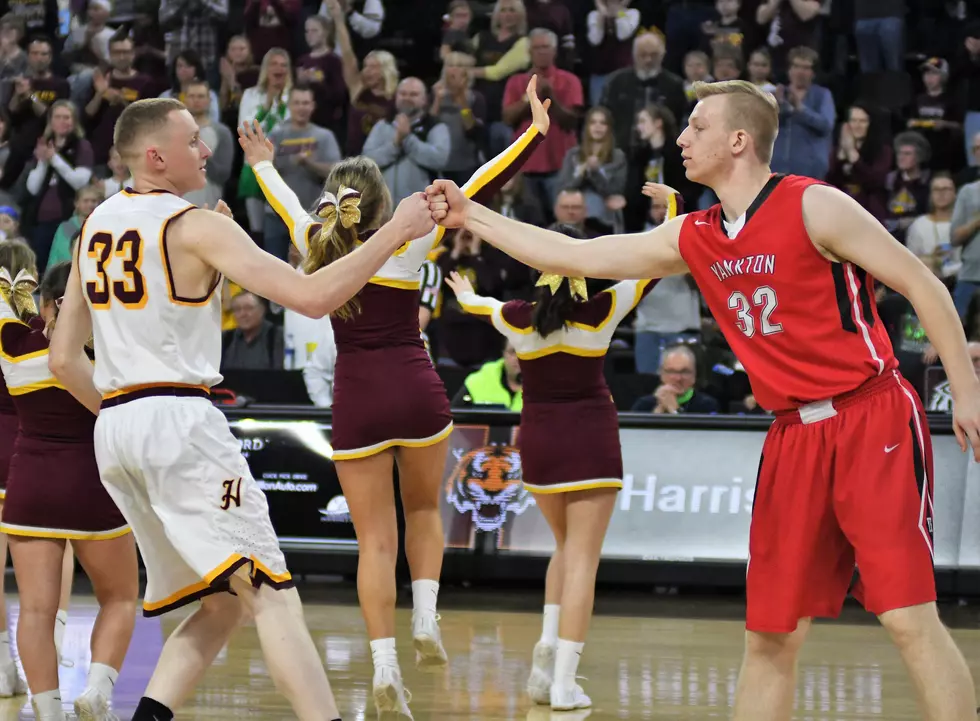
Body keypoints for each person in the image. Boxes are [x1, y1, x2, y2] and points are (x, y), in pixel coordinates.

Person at [426, 77, 980, 721]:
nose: (681, 138)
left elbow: (924, 285)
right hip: (792, 434)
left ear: (738, 140)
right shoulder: (696, 234)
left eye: (696, 126)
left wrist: (964, 393)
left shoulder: (815, 206)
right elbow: (577, 253)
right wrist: (472, 214)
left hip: (870, 415)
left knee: (908, 617)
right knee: (770, 634)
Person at [48, 97, 436, 721]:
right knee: (271, 595)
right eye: (194, 141)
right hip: (177, 418)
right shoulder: (196, 224)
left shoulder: (94, 225)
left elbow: (65, 360)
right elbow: (313, 297)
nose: (207, 151)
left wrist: (129, 413)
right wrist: (397, 230)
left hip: (116, 427)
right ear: (156, 156)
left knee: (224, 600)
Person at [239, 76, 549, 720]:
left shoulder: (314, 241)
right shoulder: (408, 240)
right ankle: (428, 618)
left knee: (374, 542)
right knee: (426, 515)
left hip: (356, 398)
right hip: (416, 390)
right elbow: (478, 185)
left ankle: (384, 666)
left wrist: (263, 163)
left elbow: (281, 195)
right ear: (383, 203)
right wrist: (532, 134)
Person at [443, 218, 662, 710]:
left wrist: (463, 287)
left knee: (564, 550)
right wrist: (670, 214)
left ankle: (546, 654)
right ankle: (564, 681)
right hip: (590, 443)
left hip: (538, 444)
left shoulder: (518, 317)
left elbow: (476, 304)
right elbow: (653, 266)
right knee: (583, 559)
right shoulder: (603, 309)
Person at [0, 248, 138, 721]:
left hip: (29, 488)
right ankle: (97, 690)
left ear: (45, 304)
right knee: (120, 597)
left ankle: (47, 711)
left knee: (34, 611)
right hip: (92, 486)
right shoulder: (112, 353)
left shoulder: (13, 344)